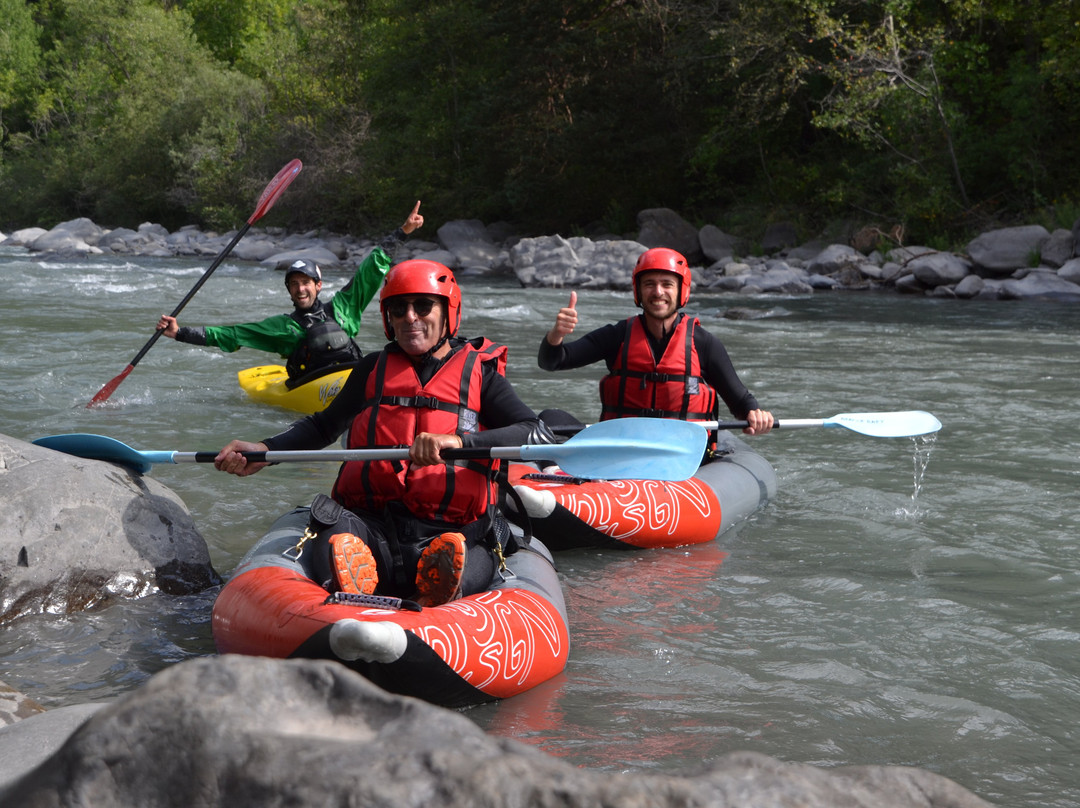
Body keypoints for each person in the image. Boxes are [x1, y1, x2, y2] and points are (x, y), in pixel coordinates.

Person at [214, 259, 555, 607]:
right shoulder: (371, 369)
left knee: (465, 555)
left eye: (423, 306)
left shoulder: (481, 376)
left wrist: (460, 442)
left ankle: (439, 588)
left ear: (448, 311)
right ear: (387, 317)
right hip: (370, 525)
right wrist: (264, 450)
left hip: (451, 530)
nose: (410, 317)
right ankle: (355, 581)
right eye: (398, 308)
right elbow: (323, 426)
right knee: (335, 529)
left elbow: (536, 433)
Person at [156, 201, 425, 384]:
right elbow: (232, 335)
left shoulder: (344, 307)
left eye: (306, 282)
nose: (300, 288)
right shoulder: (283, 327)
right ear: (289, 291)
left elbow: (371, 269)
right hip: (312, 387)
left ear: (318, 285)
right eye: (294, 284)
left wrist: (402, 233)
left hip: (350, 377)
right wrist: (180, 333)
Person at [538, 246, 774, 442]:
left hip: (682, 454)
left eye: (667, 284)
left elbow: (741, 401)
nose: (658, 292)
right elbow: (552, 361)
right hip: (622, 447)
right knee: (551, 418)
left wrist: (755, 414)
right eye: (649, 284)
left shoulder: (704, 344)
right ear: (638, 290)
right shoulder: (618, 335)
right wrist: (557, 334)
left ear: (682, 290)